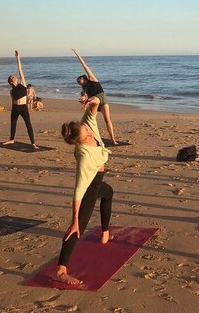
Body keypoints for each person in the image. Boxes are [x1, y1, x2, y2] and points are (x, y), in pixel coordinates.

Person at [55, 95, 113, 285]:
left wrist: (91, 100)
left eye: (87, 130)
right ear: (80, 141)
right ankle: (61, 270)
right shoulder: (84, 156)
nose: (90, 132)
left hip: (98, 182)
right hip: (90, 185)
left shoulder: (85, 124)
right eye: (87, 135)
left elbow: (97, 103)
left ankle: (105, 233)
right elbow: (78, 190)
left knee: (109, 193)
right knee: (78, 228)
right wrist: (74, 220)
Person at [72, 49, 117, 145]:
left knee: (107, 119)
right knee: (91, 120)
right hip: (93, 102)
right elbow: (83, 96)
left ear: (84, 79)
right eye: (78, 83)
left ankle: (113, 139)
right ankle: (90, 136)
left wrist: (77, 54)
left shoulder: (92, 78)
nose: (80, 84)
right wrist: (82, 100)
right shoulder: (84, 88)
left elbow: (85, 66)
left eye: (80, 82)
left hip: (101, 98)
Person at [2, 51, 37, 148]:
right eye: (13, 77)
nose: (15, 77)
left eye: (14, 76)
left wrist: (18, 58)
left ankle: (33, 143)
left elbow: (20, 69)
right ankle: (11, 139)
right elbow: (13, 100)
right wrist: (13, 108)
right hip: (15, 108)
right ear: (10, 81)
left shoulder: (23, 84)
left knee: (28, 124)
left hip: (23, 107)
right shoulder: (11, 91)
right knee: (13, 124)